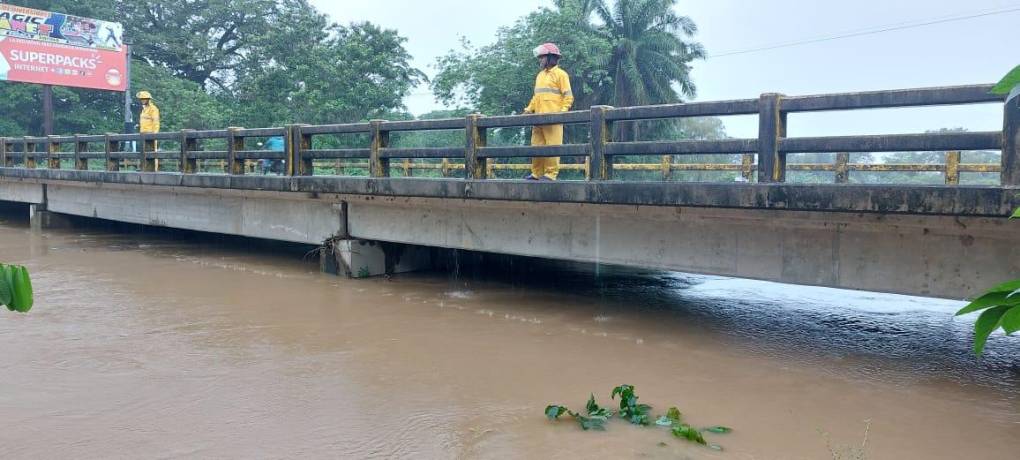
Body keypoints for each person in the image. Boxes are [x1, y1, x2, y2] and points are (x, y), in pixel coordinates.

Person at [522, 42, 573, 181]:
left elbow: (568, 96)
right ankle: (536, 173)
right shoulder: (540, 76)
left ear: (550, 58)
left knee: (552, 146)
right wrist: (528, 109)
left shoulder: (561, 75)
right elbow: (536, 96)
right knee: (536, 146)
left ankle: (550, 174)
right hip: (538, 118)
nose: (540, 60)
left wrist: (562, 112)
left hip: (553, 118)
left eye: (542, 57)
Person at [137, 91, 160, 167]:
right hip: (143, 134)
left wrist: (155, 135)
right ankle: (144, 167)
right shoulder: (144, 110)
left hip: (151, 134)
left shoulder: (153, 109)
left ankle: (154, 169)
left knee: (152, 153)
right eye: (141, 99)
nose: (142, 100)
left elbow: (156, 122)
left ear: (148, 99)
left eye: (144, 99)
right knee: (143, 152)